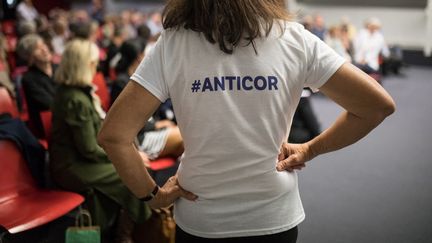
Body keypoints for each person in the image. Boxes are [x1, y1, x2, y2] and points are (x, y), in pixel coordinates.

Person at [98, 1, 396, 243]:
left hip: (201, 217)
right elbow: (376, 107)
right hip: (273, 217)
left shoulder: (174, 44)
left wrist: (153, 196)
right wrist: (311, 149)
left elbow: (114, 135)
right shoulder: (294, 39)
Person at [50, 39, 151, 242]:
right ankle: (129, 233)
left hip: (80, 159)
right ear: (83, 65)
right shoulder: (75, 99)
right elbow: (88, 148)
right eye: (94, 63)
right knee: (131, 174)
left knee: (132, 170)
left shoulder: (74, 93)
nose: (96, 68)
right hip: (73, 165)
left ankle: (123, 231)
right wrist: (125, 157)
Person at [16, 34, 56, 138]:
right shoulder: (29, 79)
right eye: (37, 49)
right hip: (49, 125)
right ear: (30, 58)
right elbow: (49, 104)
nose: (44, 49)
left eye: (43, 45)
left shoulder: (59, 68)